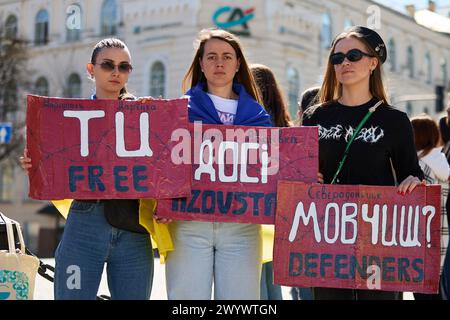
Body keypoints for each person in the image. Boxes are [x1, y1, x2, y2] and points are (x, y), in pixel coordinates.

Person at [20, 38, 156, 300]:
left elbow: (160, 172)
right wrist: (35, 165)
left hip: (133, 226)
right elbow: (52, 167)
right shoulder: (68, 120)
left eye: (124, 66)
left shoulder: (145, 116)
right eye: (107, 65)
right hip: (84, 222)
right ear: (91, 70)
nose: (116, 72)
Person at [302, 26, 424, 300]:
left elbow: (412, 174)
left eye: (354, 55)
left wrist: (414, 182)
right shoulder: (315, 117)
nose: (344, 62)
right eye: (337, 57)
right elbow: (299, 174)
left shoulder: (394, 120)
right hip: (327, 237)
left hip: (378, 240)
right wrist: (307, 178)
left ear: (373, 63)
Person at [164, 28, 272, 300]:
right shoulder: (176, 110)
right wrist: (162, 200)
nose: (219, 62)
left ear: (238, 64)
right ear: (201, 64)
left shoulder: (259, 116)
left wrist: (304, 178)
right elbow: (163, 163)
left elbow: (271, 167)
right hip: (189, 222)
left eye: (227, 56)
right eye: (211, 56)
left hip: (242, 227)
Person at [250, 63, 291, 300]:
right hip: (278, 219)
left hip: (251, 216)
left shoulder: (244, 127)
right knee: (272, 284)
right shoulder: (287, 132)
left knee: (255, 286)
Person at [411, 114, 449, 300]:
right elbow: (447, 174)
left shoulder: (410, 161)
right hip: (438, 227)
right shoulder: (435, 157)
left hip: (414, 230)